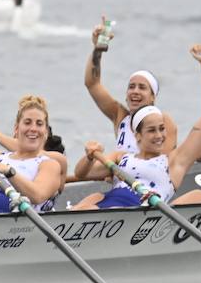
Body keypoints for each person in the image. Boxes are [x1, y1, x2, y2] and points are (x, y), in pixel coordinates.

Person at [71, 45, 201, 209]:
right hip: (109, 201)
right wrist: (89, 157)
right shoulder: (121, 156)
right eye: (152, 130)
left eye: (161, 129)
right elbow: (81, 173)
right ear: (137, 135)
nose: (160, 135)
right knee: (93, 197)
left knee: (197, 195)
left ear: (153, 96)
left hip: (139, 209)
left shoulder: (173, 161)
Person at [74, 23, 179, 181]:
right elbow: (92, 84)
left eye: (142, 87)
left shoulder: (164, 121)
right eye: (131, 87)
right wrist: (97, 50)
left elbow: (161, 165)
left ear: (153, 97)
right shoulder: (120, 116)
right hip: (120, 186)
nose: (135, 91)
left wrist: (116, 166)